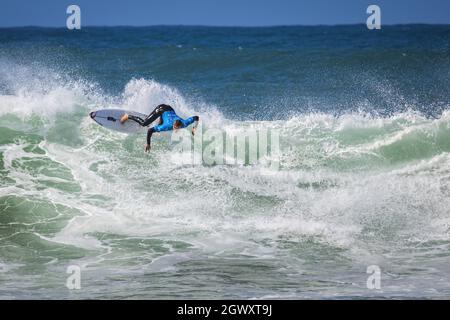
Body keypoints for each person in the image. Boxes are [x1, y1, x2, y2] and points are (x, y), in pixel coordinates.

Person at [120, 104, 199, 152]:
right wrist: (148, 144)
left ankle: (156, 121)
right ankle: (128, 116)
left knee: (160, 124)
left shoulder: (184, 123)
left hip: (170, 110)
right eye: (175, 128)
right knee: (144, 123)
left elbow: (196, 117)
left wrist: (194, 127)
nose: (176, 130)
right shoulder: (167, 126)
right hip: (161, 109)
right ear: (173, 126)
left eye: (177, 129)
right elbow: (150, 131)